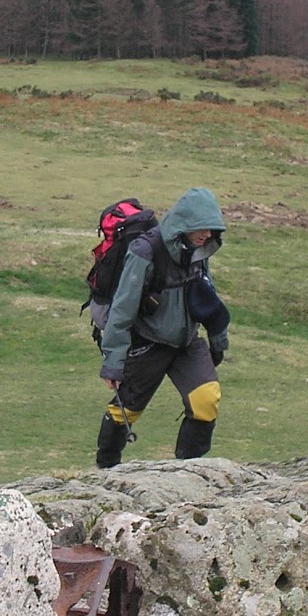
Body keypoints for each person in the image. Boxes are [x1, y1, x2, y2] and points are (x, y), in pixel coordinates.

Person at [94, 187, 230, 468]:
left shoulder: (198, 251)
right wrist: (114, 363)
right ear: (185, 224)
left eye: (211, 230)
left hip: (187, 343)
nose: (207, 236)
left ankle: (189, 470)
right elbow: (122, 309)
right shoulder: (145, 251)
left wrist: (218, 337)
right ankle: (105, 468)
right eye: (201, 229)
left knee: (206, 399)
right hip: (148, 343)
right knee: (125, 412)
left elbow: (208, 295)